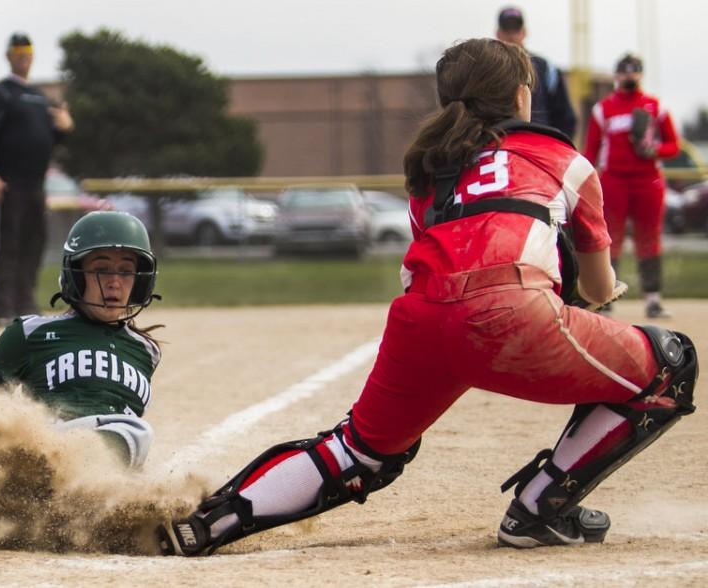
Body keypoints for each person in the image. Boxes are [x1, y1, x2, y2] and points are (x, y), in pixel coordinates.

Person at [157, 38, 697, 556]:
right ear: (520, 97)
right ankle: (539, 510)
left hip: (421, 320)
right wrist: (576, 288)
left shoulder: (431, 173)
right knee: (671, 363)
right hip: (514, 313)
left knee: (360, 451)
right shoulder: (561, 156)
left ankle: (207, 522)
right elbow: (599, 291)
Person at [0, 211, 162, 468]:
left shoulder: (146, 351)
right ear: (75, 275)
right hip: (47, 451)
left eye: (126, 271)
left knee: (135, 436)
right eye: (101, 270)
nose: (114, 283)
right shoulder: (28, 334)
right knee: (137, 432)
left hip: (111, 466)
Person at [0, 32, 75, 327]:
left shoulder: (38, 97)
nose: (23, 57)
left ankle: (25, 302)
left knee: (34, 242)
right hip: (8, 182)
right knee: (7, 243)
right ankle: (1, 305)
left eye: (28, 52)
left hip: (36, 184)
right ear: (9, 56)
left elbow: (49, 138)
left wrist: (64, 127)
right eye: (18, 52)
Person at [583, 53, 680, 319]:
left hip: (648, 181)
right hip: (614, 181)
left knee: (649, 239)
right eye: (624, 72)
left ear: (641, 74)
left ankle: (653, 300)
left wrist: (654, 149)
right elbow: (590, 150)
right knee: (608, 239)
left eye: (634, 71)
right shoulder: (603, 109)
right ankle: (605, 297)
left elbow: (674, 146)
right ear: (616, 76)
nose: (629, 76)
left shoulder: (654, 106)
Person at [496, 6, 577, 138]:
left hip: (540, 145)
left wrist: (557, 149)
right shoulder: (487, 69)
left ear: (524, 32)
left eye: (515, 29)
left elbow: (565, 118)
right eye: (507, 29)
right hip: (500, 145)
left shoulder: (546, 69)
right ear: (498, 33)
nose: (511, 35)